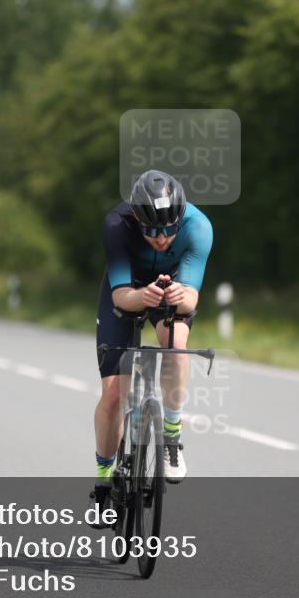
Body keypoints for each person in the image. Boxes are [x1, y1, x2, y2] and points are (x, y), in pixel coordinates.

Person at [90, 169, 212, 525]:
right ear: (136, 218)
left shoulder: (199, 227)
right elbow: (120, 296)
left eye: (169, 230)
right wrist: (142, 296)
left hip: (172, 288)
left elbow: (191, 300)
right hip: (127, 291)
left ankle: (171, 437)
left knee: (175, 342)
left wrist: (178, 296)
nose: (161, 238)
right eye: (151, 230)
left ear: (180, 218)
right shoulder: (117, 225)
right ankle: (103, 483)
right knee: (114, 396)